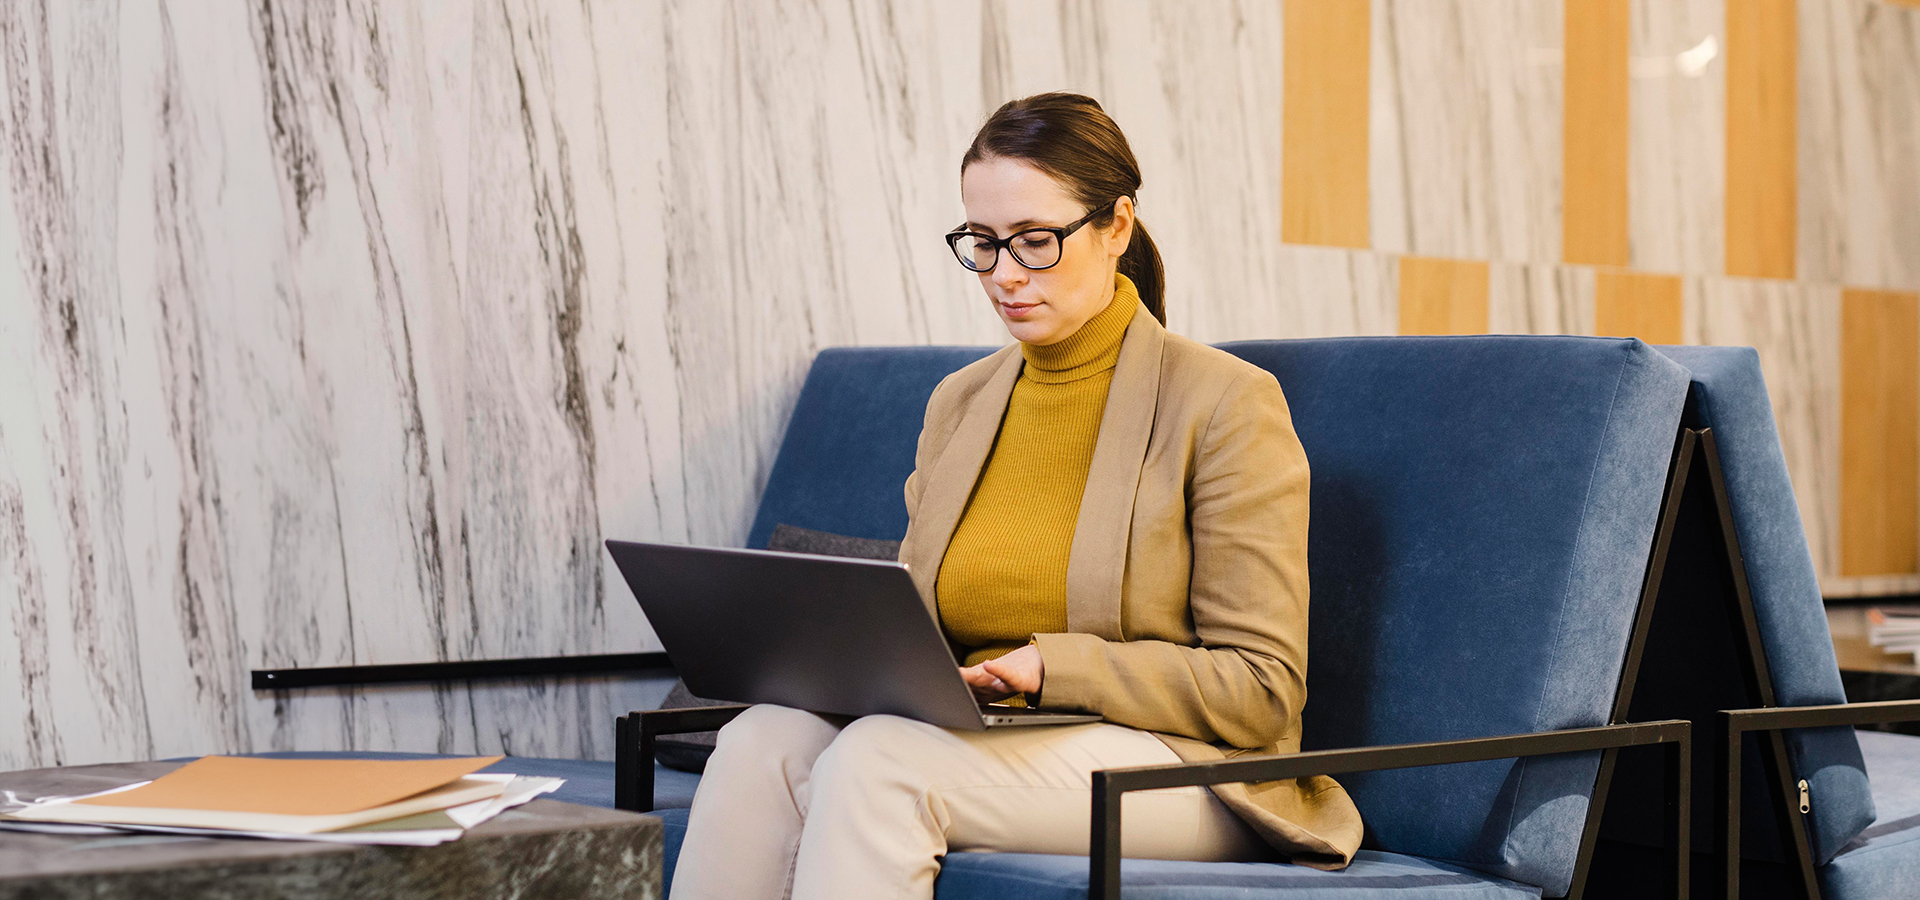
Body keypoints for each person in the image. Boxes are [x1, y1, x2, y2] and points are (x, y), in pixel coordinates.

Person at [670, 92, 1363, 900]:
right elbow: (918, 621)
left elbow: (1262, 686)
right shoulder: (959, 404)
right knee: (759, 741)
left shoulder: (1224, 403)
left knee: (879, 763)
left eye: (1036, 242)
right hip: (992, 736)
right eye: (983, 243)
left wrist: (1052, 669)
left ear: (1116, 227)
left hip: (1187, 772)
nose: (1004, 275)